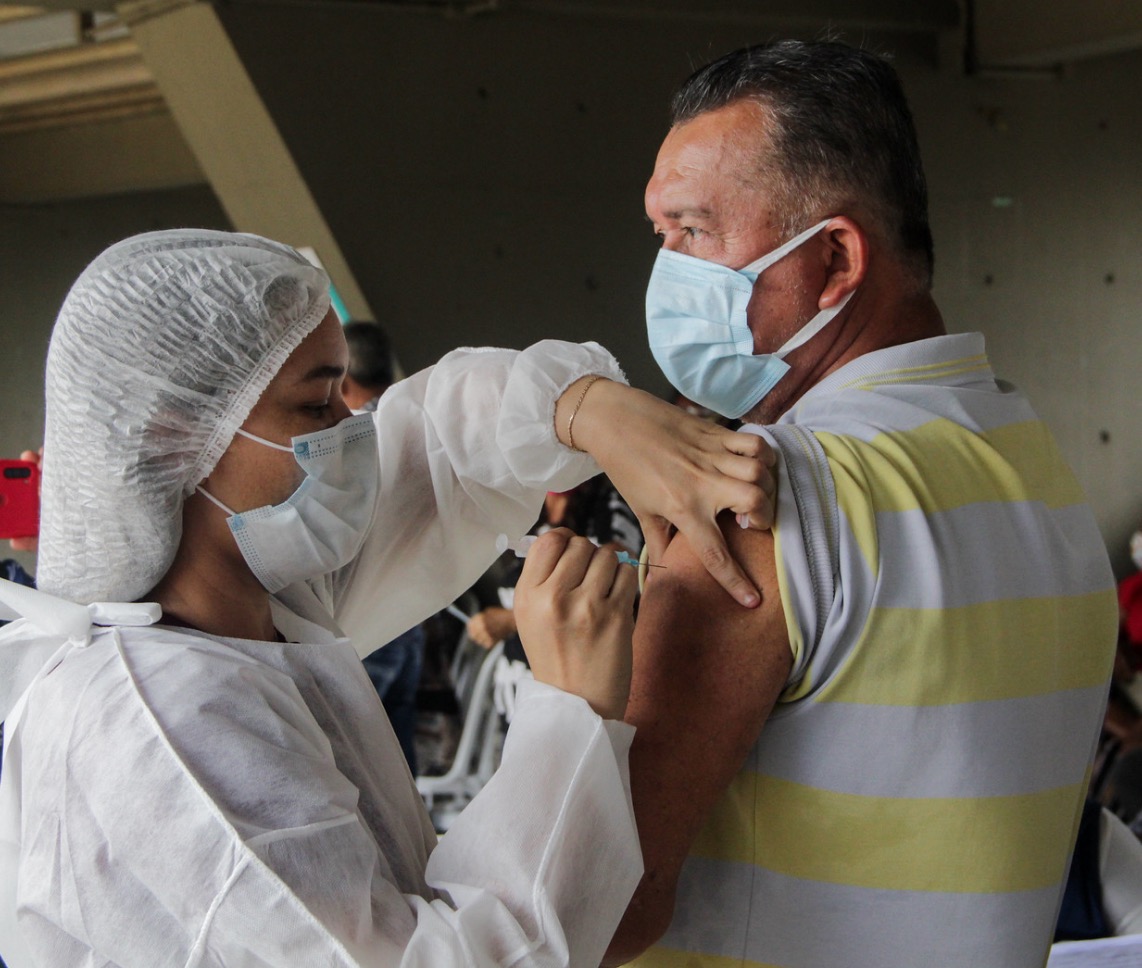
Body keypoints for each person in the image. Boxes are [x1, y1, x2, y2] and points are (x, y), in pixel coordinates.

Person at [0, 229, 777, 968]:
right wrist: (567, 710)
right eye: (315, 408)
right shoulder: (165, 717)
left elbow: (431, 451)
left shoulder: (260, 609)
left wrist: (582, 409)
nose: (354, 432)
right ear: (178, 439)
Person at [605, 41, 1119, 968]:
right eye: (661, 236)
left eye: (694, 232)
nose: (667, 272)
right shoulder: (1034, 463)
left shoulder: (763, 490)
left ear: (836, 259)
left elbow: (605, 901)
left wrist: (572, 689)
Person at [467, 477, 643, 721]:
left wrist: (510, 620)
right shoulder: (530, 506)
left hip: (572, 701)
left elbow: (615, 583)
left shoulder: (609, 505)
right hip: (518, 694)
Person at [341, 320, 425, 773]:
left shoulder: (352, 439)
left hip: (370, 619)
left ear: (342, 381)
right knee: (397, 767)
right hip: (411, 612)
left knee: (363, 763)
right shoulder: (415, 414)